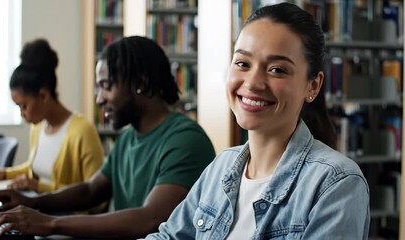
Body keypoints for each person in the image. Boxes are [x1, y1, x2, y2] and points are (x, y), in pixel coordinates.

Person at [144, 3, 370, 239]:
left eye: (277, 70)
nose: (252, 83)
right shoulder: (222, 167)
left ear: (312, 85)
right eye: (242, 64)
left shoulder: (336, 183)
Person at [0, 36, 216, 239]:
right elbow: (90, 191)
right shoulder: (127, 138)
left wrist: (49, 223)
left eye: (106, 86)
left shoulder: (185, 140)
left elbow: (150, 219)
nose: (99, 99)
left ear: (140, 84)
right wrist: (32, 202)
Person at [0, 39, 104, 193]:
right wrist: (4, 173)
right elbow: (34, 167)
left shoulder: (83, 131)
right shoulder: (38, 128)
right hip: (41, 210)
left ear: (43, 95)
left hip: (69, 215)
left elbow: (95, 194)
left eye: (24, 106)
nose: (22, 114)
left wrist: (36, 186)